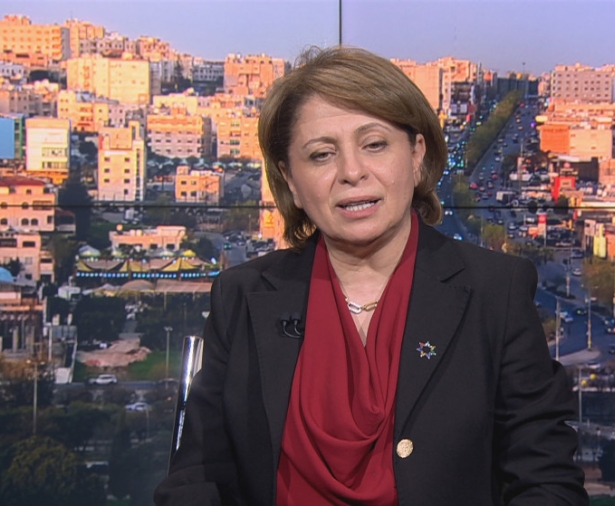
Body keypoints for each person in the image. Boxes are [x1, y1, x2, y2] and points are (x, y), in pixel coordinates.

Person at [155, 46, 587, 506]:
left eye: (375, 144)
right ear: (291, 181)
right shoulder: (241, 296)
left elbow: (546, 481)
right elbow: (198, 476)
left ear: (416, 155)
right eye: (322, 155)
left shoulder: (494, 291)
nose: (352, 172)